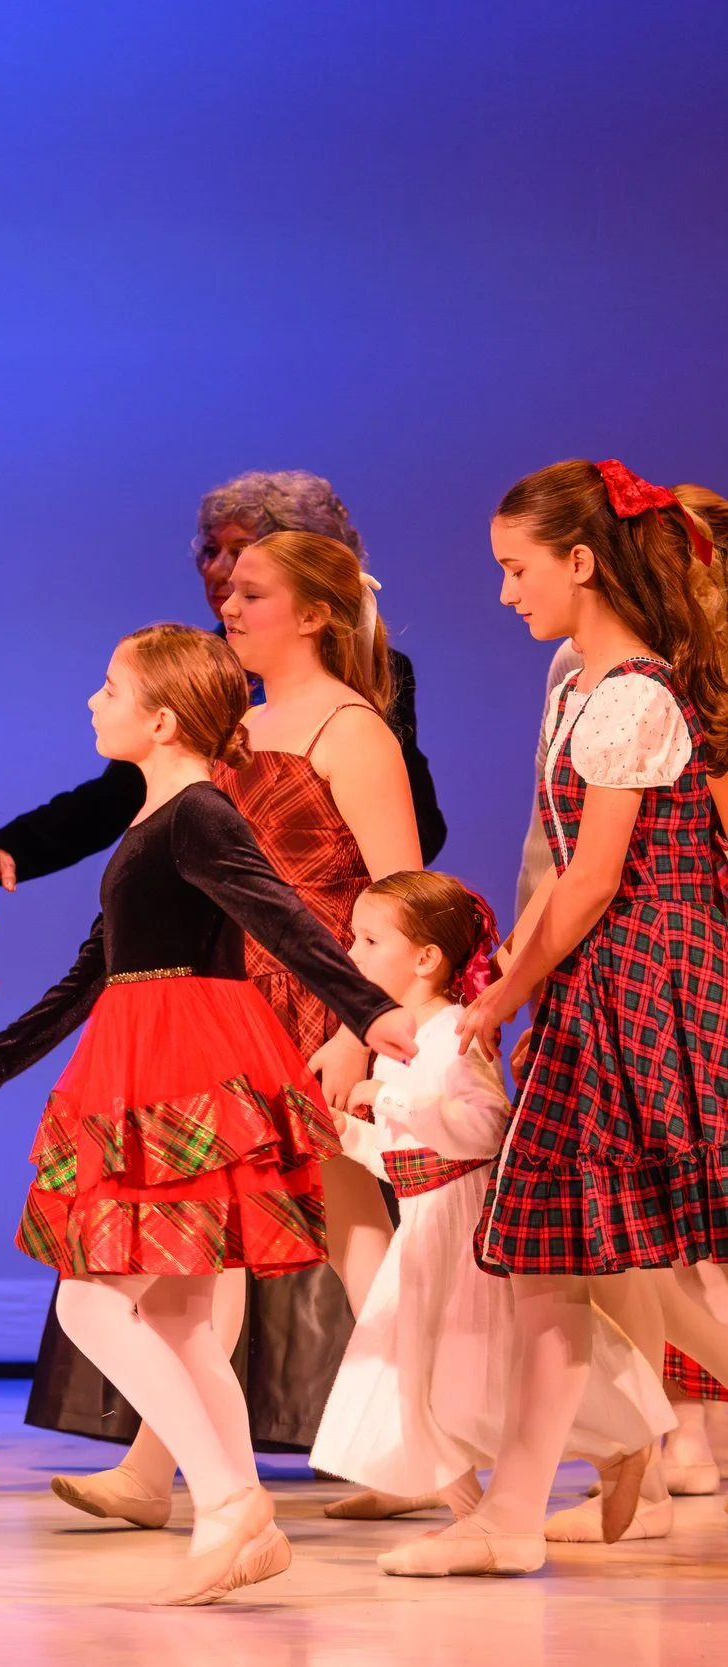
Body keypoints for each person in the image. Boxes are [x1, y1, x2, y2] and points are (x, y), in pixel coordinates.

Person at [0, 624, 415, 1605]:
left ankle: (232, 1499)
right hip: (147, 1041)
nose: (91, 702)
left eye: (109, 688)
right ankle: (240, 1523)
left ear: (158, 718)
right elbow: (93, 965)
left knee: (94, 1297)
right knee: (183, 1316)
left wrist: (372, 1010)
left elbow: (282, 914)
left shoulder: (199, 812)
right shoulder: (154, 818)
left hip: (187, 1050)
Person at [388, 460, 728, 1577]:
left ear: (580, 562)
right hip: (604, 977)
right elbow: (560, 878)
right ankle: (510, 1516)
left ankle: (509, 1517)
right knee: (562, 1262)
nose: (503, 593)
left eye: (516, 569)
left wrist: (501, 988)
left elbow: (591, 881)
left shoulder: (631, 692)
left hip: (642, 979)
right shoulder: (575, 680)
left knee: (645, 1265)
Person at [45, 528, 422, 1517]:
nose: (231, 607)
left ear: (311, 615)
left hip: (319, 995)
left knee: (351, 1235)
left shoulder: (352, 728)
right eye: (230, 591)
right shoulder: (240, 725)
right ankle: (155, 1469)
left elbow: (392, 887)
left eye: (253, 593)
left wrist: (352, 1026)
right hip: (235, 998)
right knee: (202, 1248)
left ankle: (418, 1451)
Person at [308, 871, 670, 1535]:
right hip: (422, 1222)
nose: (350, 955)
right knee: (406, 1381)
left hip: (465, 1223)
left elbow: (485, 1126)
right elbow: (404, 1154)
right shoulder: (395, 1043)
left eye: (367, 940)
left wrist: (388, 1101)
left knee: (480, 1373)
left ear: (425, 958)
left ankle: (619, 1445)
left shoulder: (451, 1034)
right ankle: (478, 1514)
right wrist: (346, 1134)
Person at [0, 469, 446, 937]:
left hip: (324, 933)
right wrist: (19, 846)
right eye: (212, 552)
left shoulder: (363, 692)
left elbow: (412, 833)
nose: (219, 575)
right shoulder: (199, 669)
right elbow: (126, 792)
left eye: (241, 557)